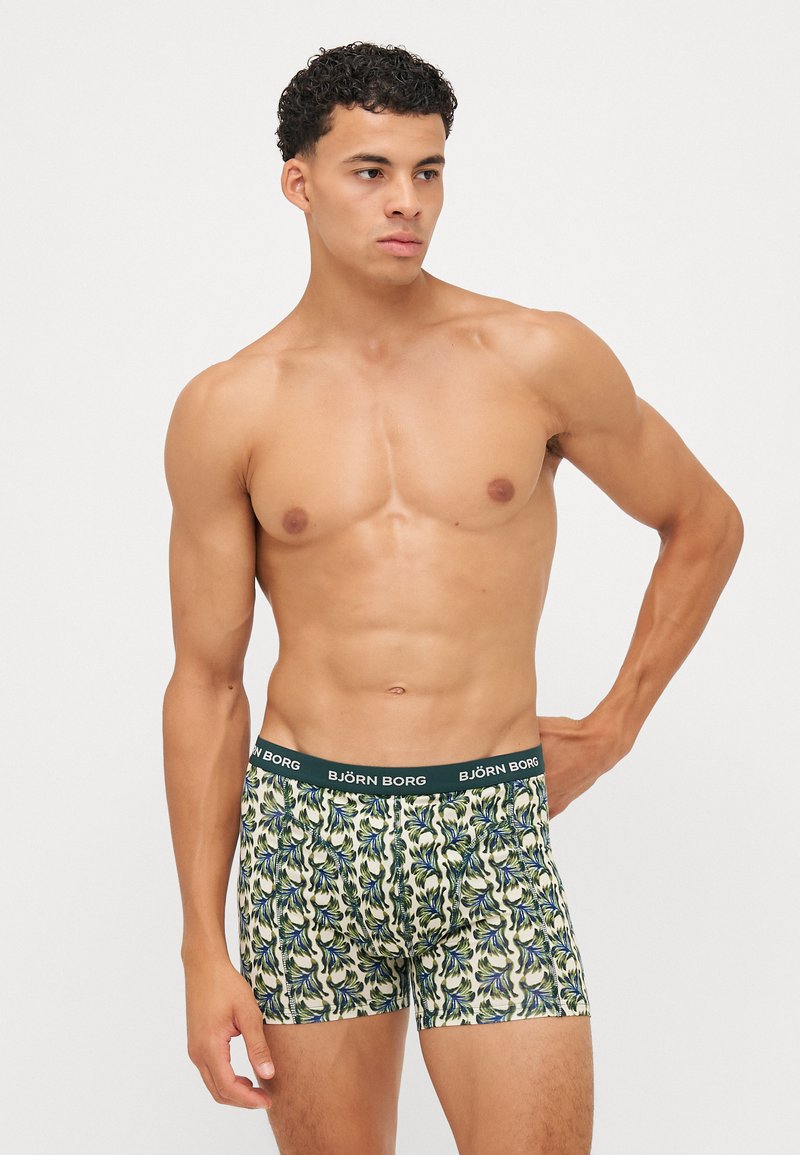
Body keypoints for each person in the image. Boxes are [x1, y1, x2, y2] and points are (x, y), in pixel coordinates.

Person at [162, 40, 743, 1155]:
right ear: (298, 182)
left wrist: (613, 727)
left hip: (488, 828)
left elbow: (703, 524)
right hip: (307, 837)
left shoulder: (534, 356)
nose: (407, 202)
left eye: (427, 171)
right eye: (371, 171)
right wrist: (201, 947)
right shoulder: (229, 406)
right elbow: (205, 683)